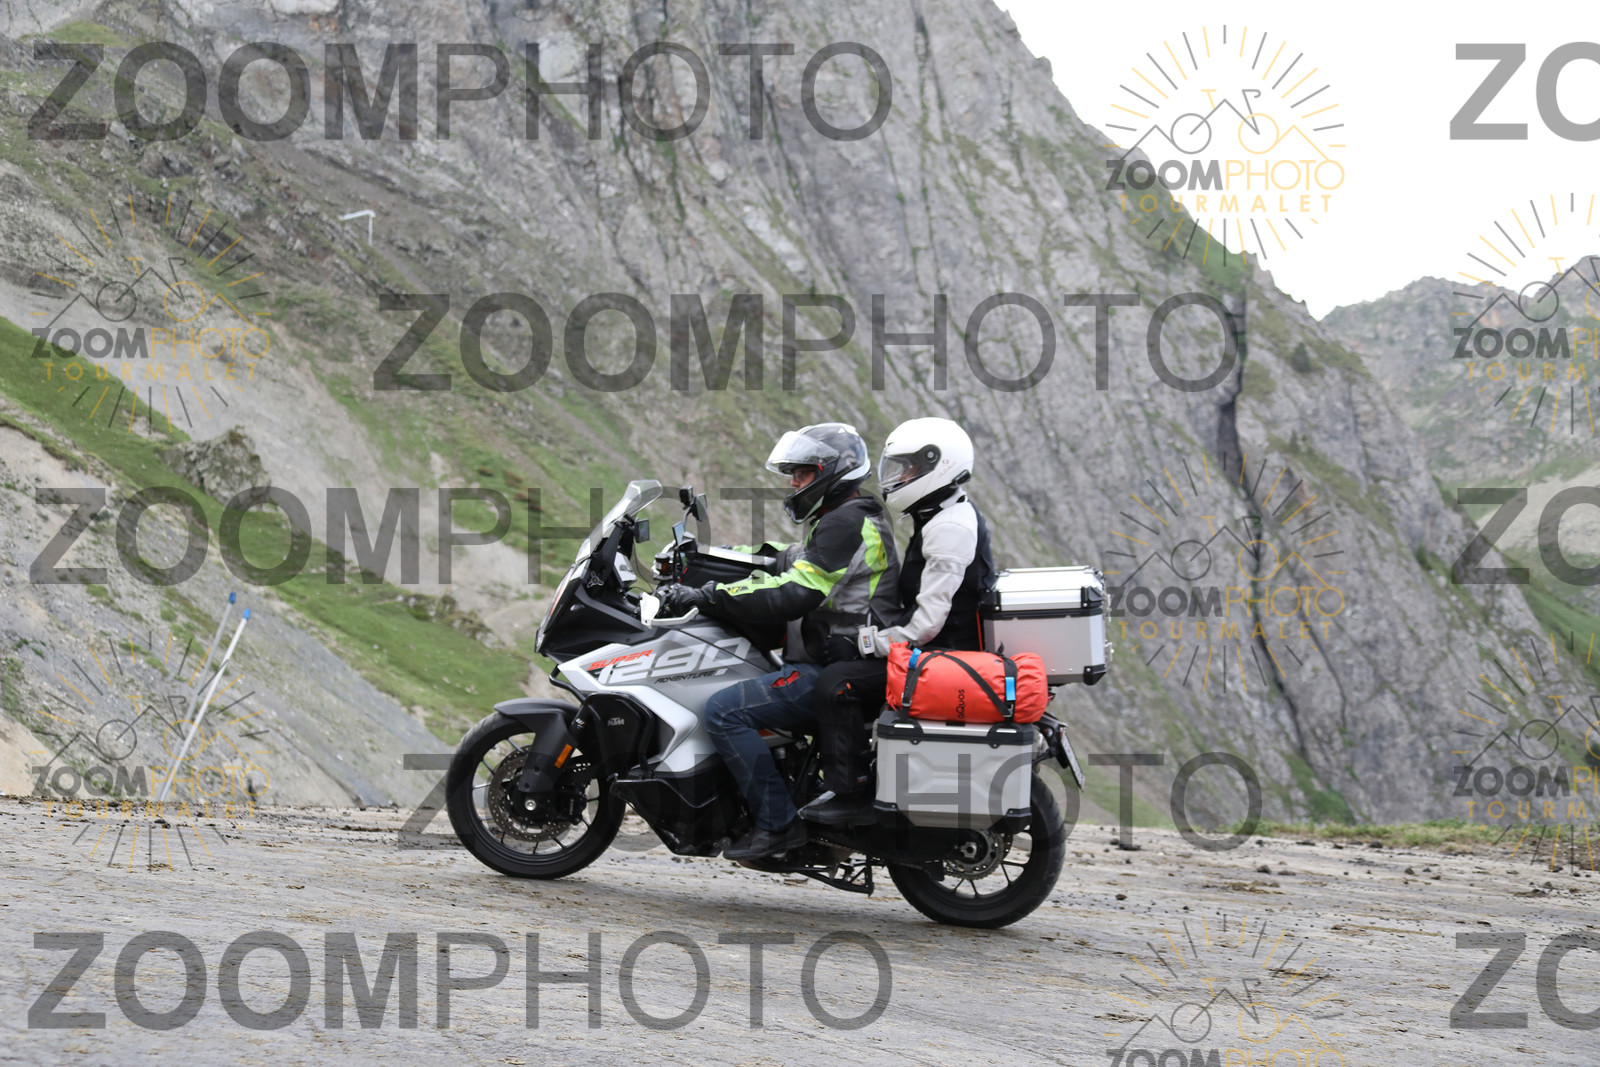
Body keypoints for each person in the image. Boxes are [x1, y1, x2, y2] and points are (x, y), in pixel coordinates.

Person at [656, 423, 900, 860]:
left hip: (836, 666)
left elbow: (795, 592)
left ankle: (778, 825)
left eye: (802, 474)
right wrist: (716, 556)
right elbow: (790, 559)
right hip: (834, 657)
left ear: (830, 473)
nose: (793, 483)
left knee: (724, 711)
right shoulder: (846, 515)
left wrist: (708, 596)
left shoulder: (845, 522)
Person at [798, 417, 996, 826]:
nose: (900, 477)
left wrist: (864, 643)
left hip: (944, 654)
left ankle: (850, 794)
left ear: (939, 465)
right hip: (939, 648)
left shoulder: (949, 529)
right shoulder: (940, 515)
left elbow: (928, 622)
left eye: (909, 469)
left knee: (837, 683)